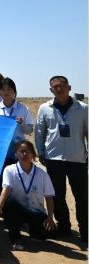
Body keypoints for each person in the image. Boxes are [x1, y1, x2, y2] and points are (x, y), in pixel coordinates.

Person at [35, 75, 87, 242]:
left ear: (69, 87)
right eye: (55, 86)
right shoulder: (45, 108)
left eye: (62, 85)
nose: (59, 89)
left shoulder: (83, 108)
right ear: (51, 90)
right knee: (57, 196)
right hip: (53, 158)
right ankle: (64, 228)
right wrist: (40, 152)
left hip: (77, 159)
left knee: (81, 196)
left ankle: (85, 230)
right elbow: (40, 132)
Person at [0, 140, 56, 250]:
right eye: (21, 151)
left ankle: (31, 229)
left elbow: (49, 197)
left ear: (33, 155)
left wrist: (50, 217)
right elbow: (6, 190)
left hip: (36, 212)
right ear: (16, 154)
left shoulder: (42, 174)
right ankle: (15, 239)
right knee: (9, 203)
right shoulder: (9, 170)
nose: (24, 154)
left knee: (48, 233)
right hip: (17, 210)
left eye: (28, 151)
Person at [0, 77, 33, 165]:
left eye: (9, 89)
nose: (6, 92)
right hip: (0, 153)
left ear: (14, 91)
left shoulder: (23, 108)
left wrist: (22, 124)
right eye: (3, 89)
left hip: (18, 153)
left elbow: (30, 130)